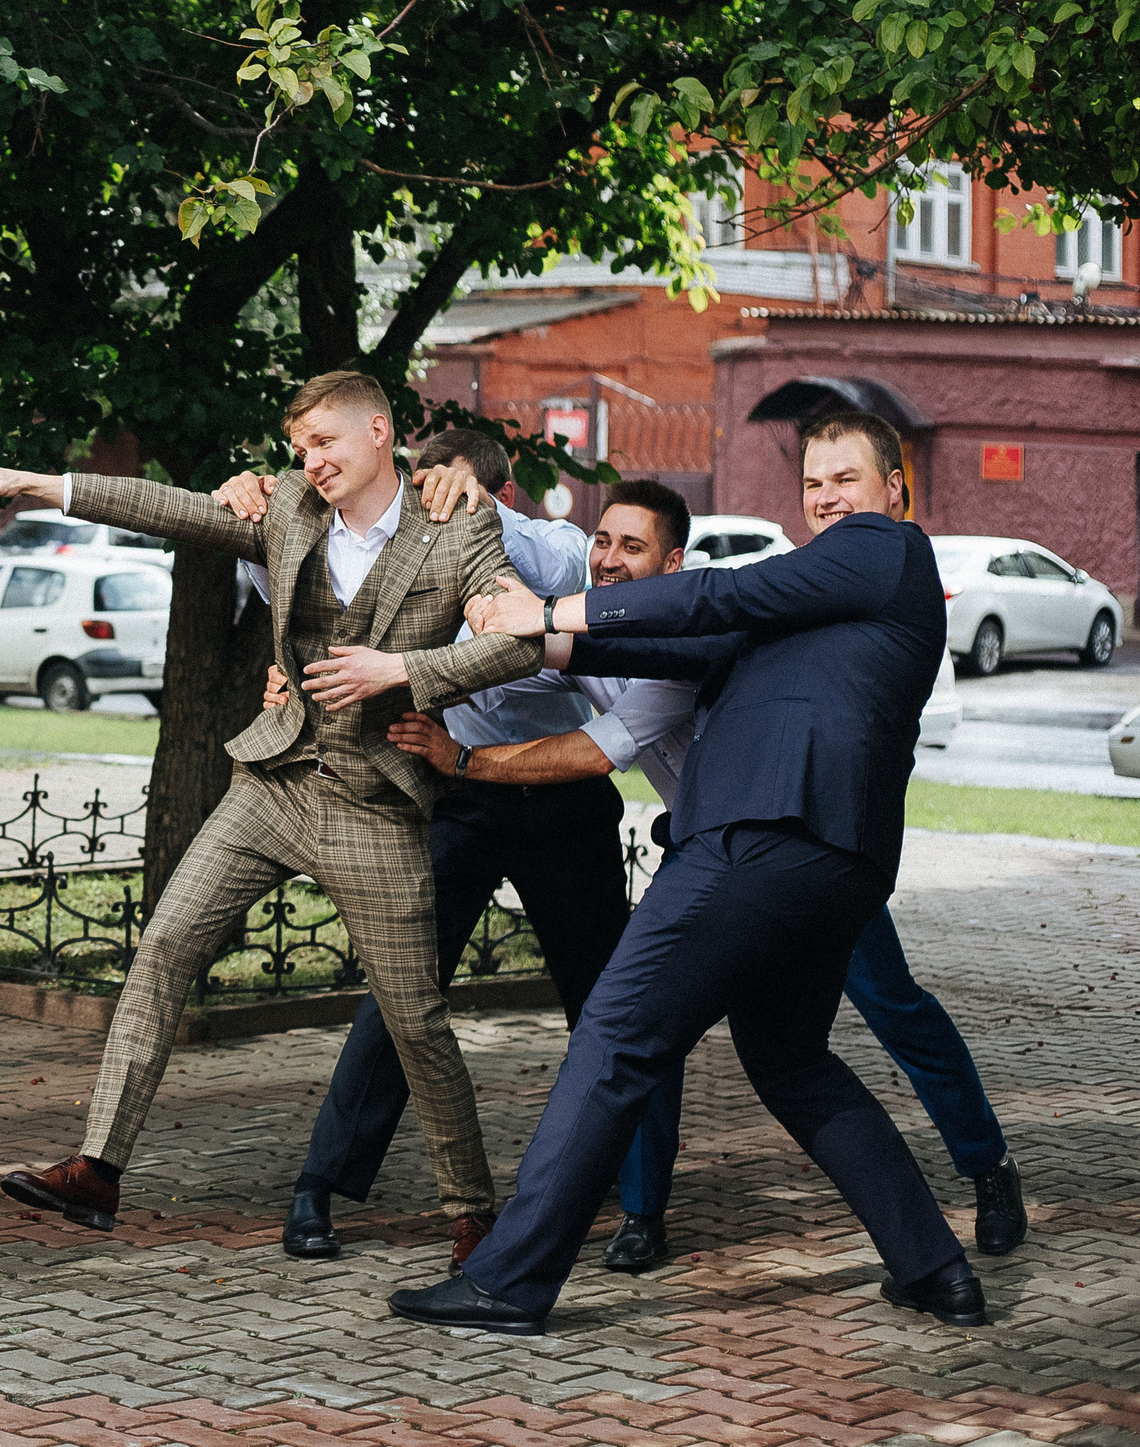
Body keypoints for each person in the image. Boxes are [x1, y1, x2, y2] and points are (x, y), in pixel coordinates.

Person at [0, 370, 543, 1271]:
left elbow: (521, 640)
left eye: (325, 442)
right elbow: (169, 510)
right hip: (273, 782)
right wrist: (40, 485)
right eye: (300, 448)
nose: (311, 461)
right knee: (165, 945)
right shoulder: (288, 506)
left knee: (415, 1020)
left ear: (379, 432)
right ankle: (98, 1169)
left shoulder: (457, 524)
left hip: (373, 804)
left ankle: (475, 1213)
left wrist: (403, 673)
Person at [392, 410, 989, 1334]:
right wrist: (533, 628)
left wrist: (546, 611)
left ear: (894, 488)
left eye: (846, 478)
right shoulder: (816, 602)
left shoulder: (888, 550)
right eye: (813, 483)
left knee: (615, 1031)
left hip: (759, 833)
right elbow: (675, 639)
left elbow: (717, 595)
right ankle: (935, 1267)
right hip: (833, 860)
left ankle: (508, 1279)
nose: (827, 497)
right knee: (791, 1062)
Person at [212, 441, 660, 1267]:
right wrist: (256, 505)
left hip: (563, 801)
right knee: (402, 988)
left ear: (502, 495)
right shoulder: (400, 557)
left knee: (608, 1004)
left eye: (445, 494)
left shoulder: (558, 551)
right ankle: (321, 1183)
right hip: (462, 799)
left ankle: (638, 1204)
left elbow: (546, 563)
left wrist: (470, 504)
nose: (429, 510)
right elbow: (306, 593)